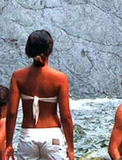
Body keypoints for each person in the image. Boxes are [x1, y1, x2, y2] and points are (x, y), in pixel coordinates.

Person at [4, 30, 75, 160]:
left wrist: (8, 144)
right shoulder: (60, 78)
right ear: (50, 49)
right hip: (52, 136)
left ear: (28, 50)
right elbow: (66, 116)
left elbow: (12, 113)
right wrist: (70, 148)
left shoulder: (18, 76)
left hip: (28, 135)